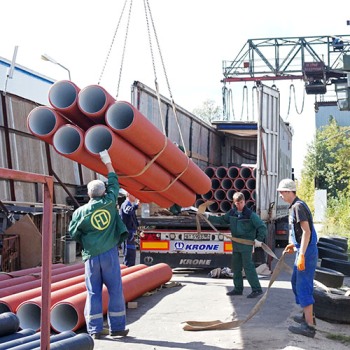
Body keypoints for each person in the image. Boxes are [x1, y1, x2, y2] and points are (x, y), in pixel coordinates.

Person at [69, 149, 129, 340]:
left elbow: (73, 233)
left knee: (93, 292)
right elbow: (114, 181)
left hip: (91, 256)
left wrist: (87, 242)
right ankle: (117, 328)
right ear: (104, 192)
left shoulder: (79, 212)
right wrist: (107, 160)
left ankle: (94, 329)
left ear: (88, 193)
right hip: (110, 253)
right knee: (115, 290)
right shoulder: (110, 202)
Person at [205, 192, 267, 298]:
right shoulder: (232, 213)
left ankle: (257, 289)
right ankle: (238, 289)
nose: (239, 205)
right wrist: (208, 217)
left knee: (248, 267)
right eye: (237, 203)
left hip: (246, 245)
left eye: (241, 203)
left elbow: (262, 226)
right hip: (236, 245)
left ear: (244, 201)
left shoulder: (250, 214)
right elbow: (222, 220)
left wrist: (259, 240)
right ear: (234, 202)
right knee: (236, 267)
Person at [277, 178, 318, 338]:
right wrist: (293, 245)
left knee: (303, 286)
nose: (280, 195)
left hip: (307, 252)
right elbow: (301, 233)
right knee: (295, 282)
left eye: (281, 192)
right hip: (303, 249)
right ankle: (307, 316)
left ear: (288, 191)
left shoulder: (298, 207)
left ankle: (309, 326)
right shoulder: (295, 206)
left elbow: (307, 232)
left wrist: (301, 254)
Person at [119, 192, 139, 267]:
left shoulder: (129, 204)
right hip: (127, 234)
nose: (135, 197)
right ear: (128, 195)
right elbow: (128, 211)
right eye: (133, 195)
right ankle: (127, 272)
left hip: (130, 234)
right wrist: (136, 206)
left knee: (132, 255)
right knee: (129, 255)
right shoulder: (126, 204)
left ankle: (130, 270)